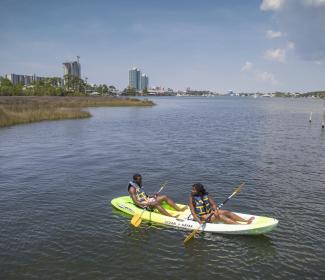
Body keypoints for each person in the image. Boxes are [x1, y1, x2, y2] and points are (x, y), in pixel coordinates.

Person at [188, 183, 255, 224]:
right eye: (192, 189)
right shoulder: (192, 198)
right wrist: (199, 221)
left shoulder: (206, 195)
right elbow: (193, 213)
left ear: (199, 191)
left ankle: (245, 220)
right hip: (201, 217)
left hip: (209, 212)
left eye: (194, 190)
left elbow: (213, 204)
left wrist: (216, 211)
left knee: (226, 212)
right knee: (221, 217)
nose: (192, 191)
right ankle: (240, 225)